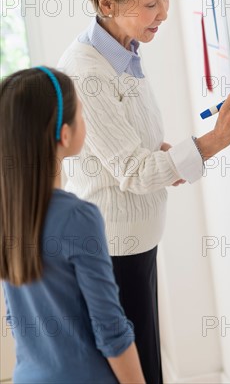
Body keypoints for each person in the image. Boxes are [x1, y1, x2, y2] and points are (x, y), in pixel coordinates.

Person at [57, 0, 230, 383]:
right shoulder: (88, 73)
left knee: (143, 360)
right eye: (152, 3)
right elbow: (132, 172)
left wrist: (170, 155)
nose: (164, 13)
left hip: (132, 242)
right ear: (107, 4)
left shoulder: (121, 52)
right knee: (134, 368)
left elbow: (128, 145)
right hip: (113, 247)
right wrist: (216, 139)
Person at [0, 67, 145, 384]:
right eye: (81, 113)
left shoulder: (7, 212)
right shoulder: (79, 218)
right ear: (65, 134)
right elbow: (110, 329)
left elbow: (16, 316)